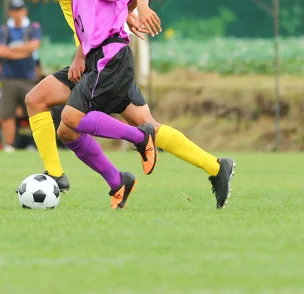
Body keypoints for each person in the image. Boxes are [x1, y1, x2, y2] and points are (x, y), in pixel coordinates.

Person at [24, 0, 235, 209]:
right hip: (94, 58)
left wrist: (141, 8)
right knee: (50, 113)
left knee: (70, 118)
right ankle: (214, 168)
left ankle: (139, 140)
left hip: (107, 58)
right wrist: (122, 15)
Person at [0, 0, 41, 152]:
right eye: (14, 10)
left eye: (19, 9)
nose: (17, 13)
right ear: (10, 12)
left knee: (33, 112)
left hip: (27, 78)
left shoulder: (32, 28)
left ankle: (37, 144)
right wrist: (23, 52)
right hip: (9, 78)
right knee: (7, 113)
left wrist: (12, 51)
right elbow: (1, 52)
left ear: (25, 11)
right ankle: (9, 145)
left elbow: (34, 46)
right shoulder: (4, 30)